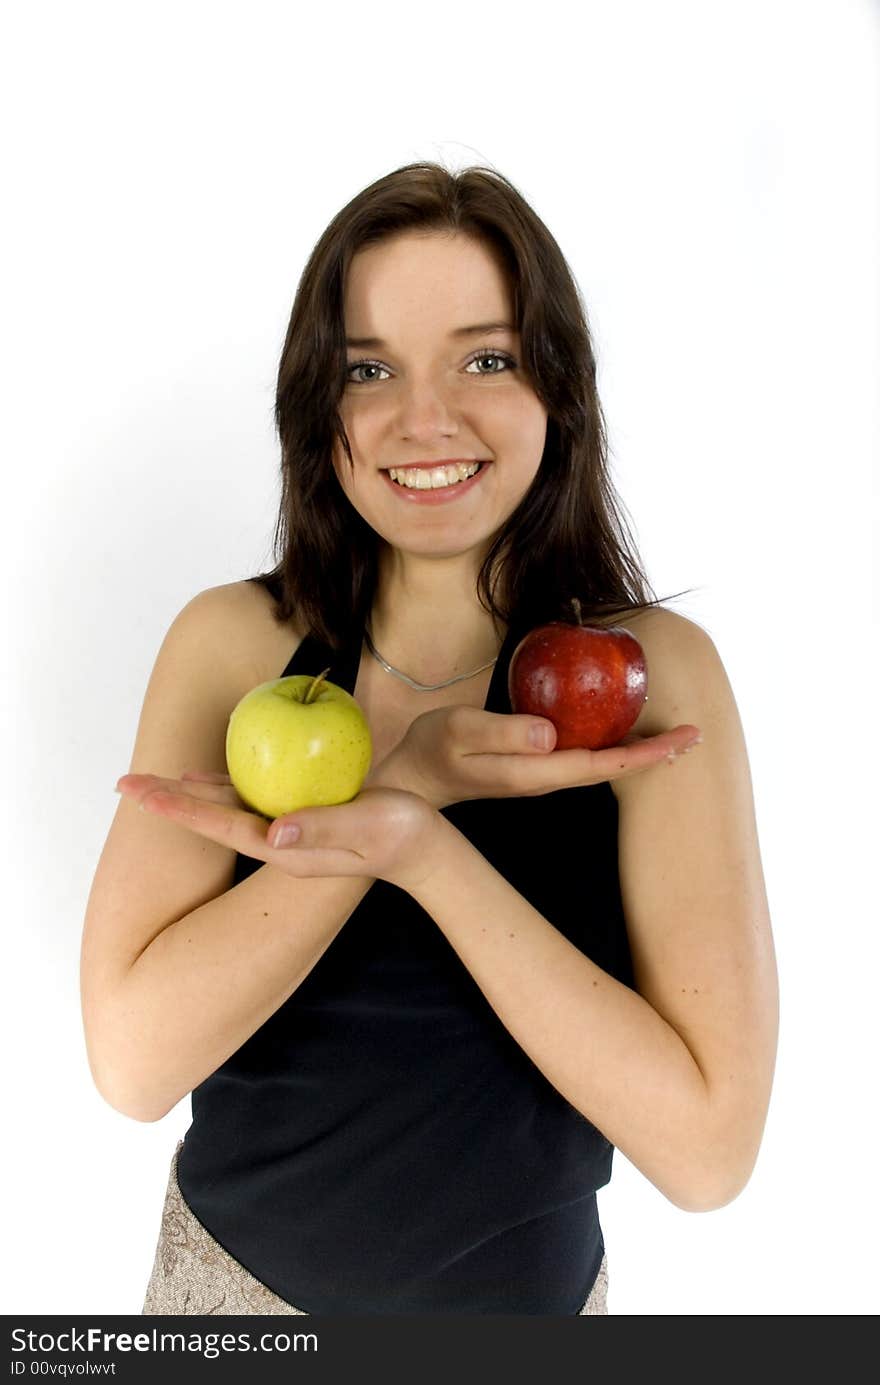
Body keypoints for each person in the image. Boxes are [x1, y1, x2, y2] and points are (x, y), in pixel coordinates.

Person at [80, 162, 779, 1316]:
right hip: (229, 1309)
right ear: (320, 404)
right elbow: (133, 1064)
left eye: (486, 358)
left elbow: (708, 1154)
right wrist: (397, 784)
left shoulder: (651, 680)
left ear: (558, 385)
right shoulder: (237, 646)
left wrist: (424, 848)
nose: (425, 418)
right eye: (369, 369)